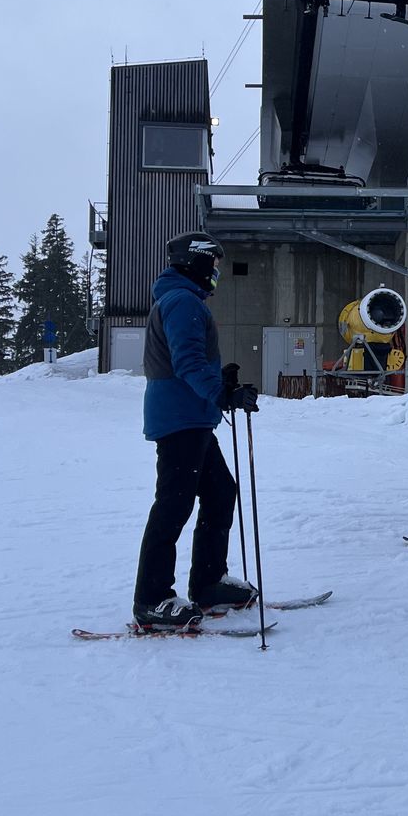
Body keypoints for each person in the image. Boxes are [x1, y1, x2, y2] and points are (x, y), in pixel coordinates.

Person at [133, 232, 259, 631]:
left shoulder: (183, 299)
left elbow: (191, 361)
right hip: (180, 420)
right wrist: (221, 393)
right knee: (173, 505)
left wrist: (221, 381)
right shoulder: (182, 301)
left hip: (193, 418)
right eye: (215, 264)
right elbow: (186, 361)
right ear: (198, 261)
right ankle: (151, 599)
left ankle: (208, 582)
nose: (217, 272)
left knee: (221, 492)